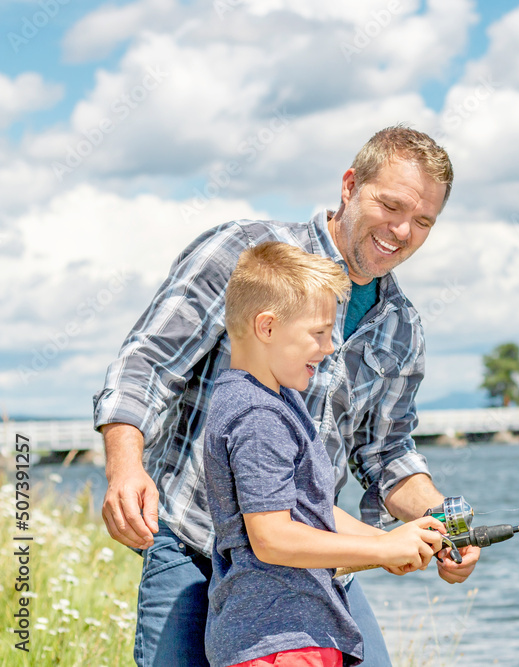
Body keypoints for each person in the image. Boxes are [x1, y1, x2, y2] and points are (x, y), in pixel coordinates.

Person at [93, 125, 480, 666]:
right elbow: (149, 365)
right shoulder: (243, 253)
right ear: (350, 185)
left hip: (311, 564)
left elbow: (387, 454)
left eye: (422, 221)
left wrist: (443, 524)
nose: (401, 231)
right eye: (390, 205)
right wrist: (125, 468)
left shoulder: (402, 327)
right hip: (194, 545)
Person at [204, 241, 445, 667]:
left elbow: (314, 511)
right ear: (267, 327)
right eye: (318, 333)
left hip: (300, 634)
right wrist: (383, 552)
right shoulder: (257, 414)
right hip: (277, 639)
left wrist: (393, 541)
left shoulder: (281, 400)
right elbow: (272, 538)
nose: (330, 347)